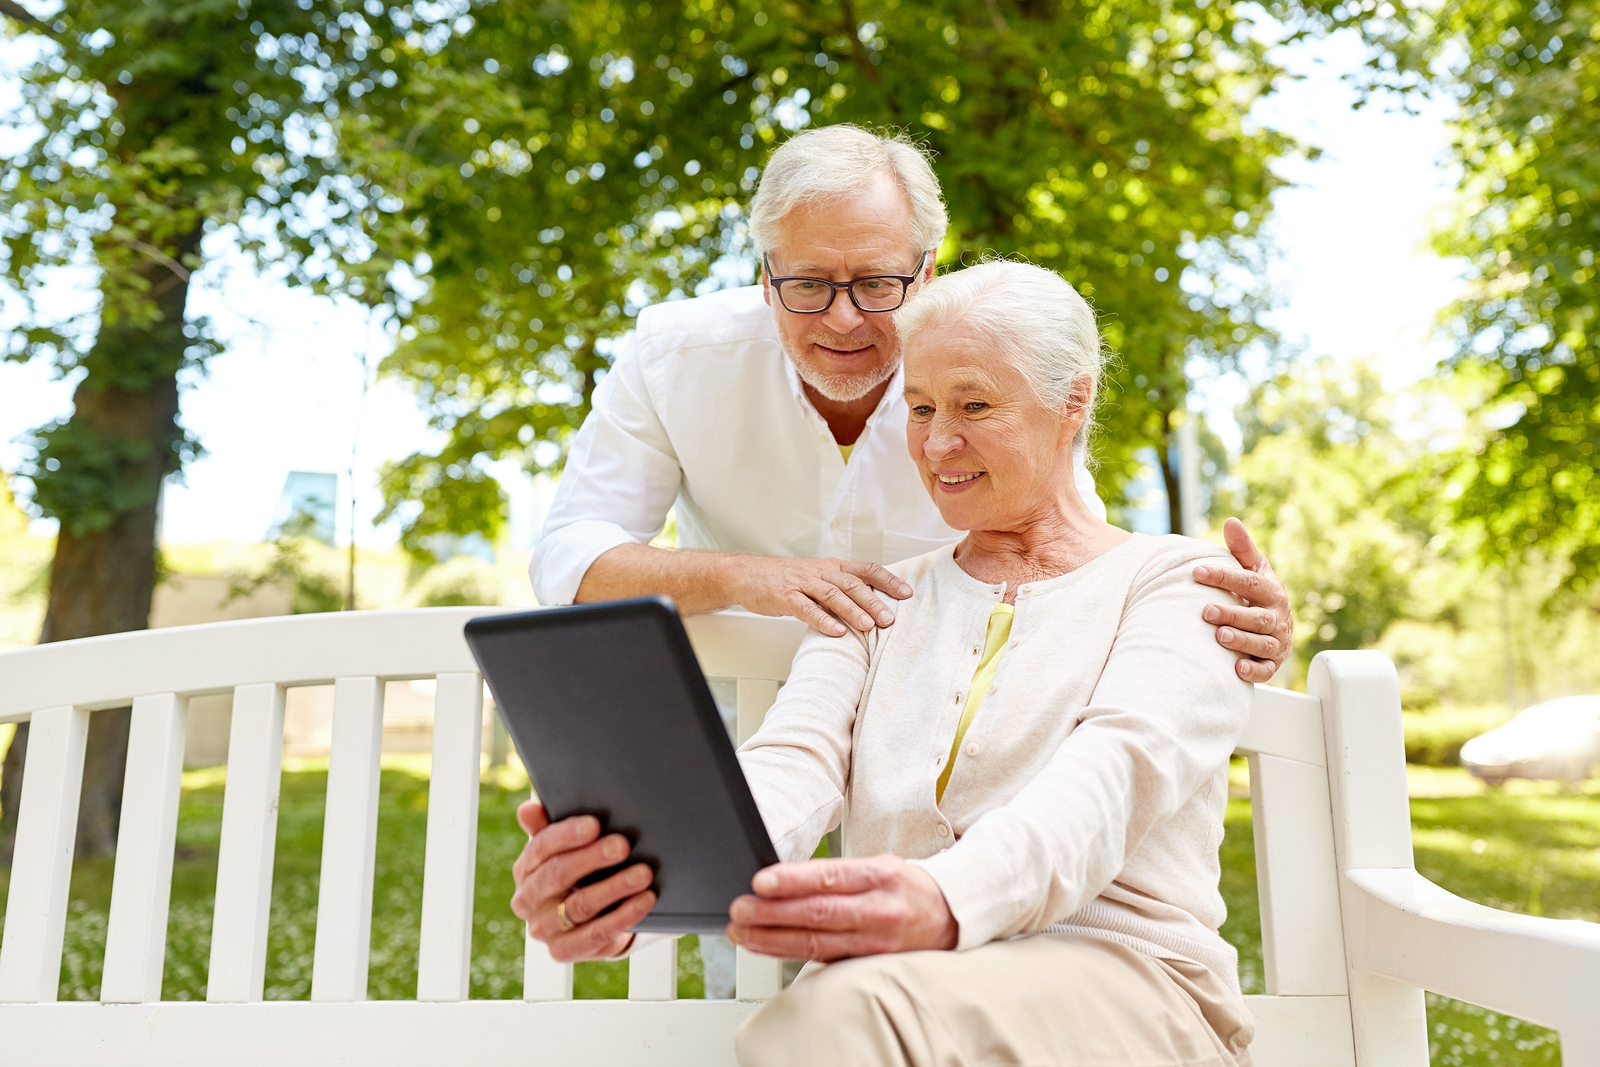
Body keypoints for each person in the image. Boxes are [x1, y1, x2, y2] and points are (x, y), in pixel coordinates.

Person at [512, 261, 1257, 1066]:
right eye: (921, 407)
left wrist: (940, 898)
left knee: (831, 1014)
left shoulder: (1183, 585)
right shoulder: (881, 599)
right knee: (840, 1010)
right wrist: (644, 879)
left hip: (1128, 990)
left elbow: (1112, 778)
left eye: (974, 405)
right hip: (894, 996)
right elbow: (790, 764)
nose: (938, 443)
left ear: (1072, 401)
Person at [529, 124, 1292, 680]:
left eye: (875, 282)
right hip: (728, 720)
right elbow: (569, 558)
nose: (842, 318)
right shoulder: (674, 357)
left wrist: (1216, 612)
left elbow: (1070, 549)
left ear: (926, 272)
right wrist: (751, 578)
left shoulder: (990, 366)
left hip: (929, 733)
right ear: (764, 276)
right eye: (807, 284)